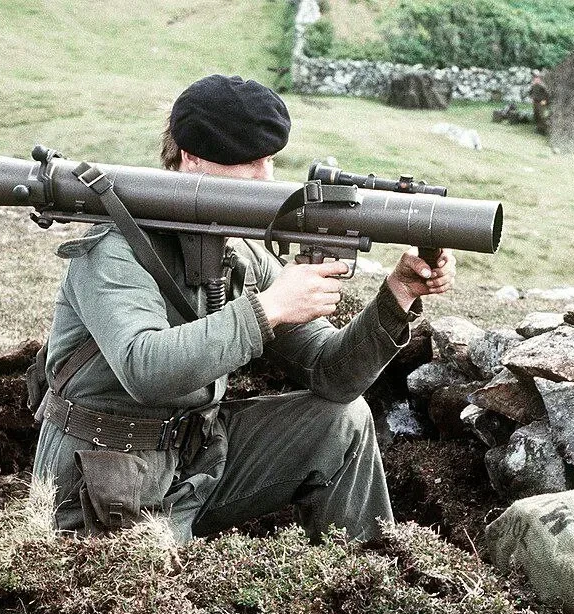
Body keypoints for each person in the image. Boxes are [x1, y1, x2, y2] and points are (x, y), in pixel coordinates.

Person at [32, 74, 456, 543]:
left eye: (269, 160)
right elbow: (144, 368)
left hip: (198, 461)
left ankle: (366, 574)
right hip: (104, 477)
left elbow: (331, 374)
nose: (265, 178)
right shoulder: (113, 248)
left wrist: (397, 294)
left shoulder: (240, 251)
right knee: (145, 582)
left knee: (343, 422)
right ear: (191, 158)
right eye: (247, 162)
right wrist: (268, 309)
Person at [529, 71, 550, 136]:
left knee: (542, 116)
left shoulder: (542, 86)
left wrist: (545, 101)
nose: (536, 79)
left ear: (539, 79)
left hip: (541, 103)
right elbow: (530, 93)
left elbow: (547, 94)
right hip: (535, 102)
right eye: (535, 78)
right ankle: (538, 129)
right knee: (536, 115)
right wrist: (532, 98)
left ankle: (544, 131)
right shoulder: (533, 86)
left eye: (537, 78)